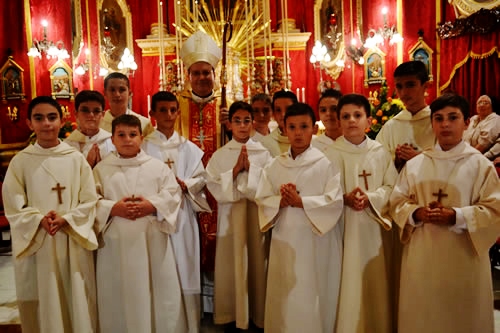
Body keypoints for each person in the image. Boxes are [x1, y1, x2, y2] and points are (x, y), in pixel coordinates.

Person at [389, 94, 500, 333]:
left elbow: (495, 210)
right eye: (438, 119)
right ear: (432, 125)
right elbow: (396, 202)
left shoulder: (480, 165)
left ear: (467, 122)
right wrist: (416, 213)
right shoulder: (416, 165)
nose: (445, 124)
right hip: (422, 257)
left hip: (464, 258)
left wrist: (457, 216)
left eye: (453, 117)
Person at [2, 96, 98, 333]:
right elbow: (13, 204)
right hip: (38, 241)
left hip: (71, 238)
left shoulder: (75, 159)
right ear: (29, 123)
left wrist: (67, 218)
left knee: (74, 293)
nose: (46, 124)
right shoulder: (21, 161)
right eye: (39, 118)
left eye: (52, 117)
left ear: (62, 120)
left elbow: (90, 198)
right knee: (44, 296)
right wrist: (38, 220)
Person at [93, 114, 186, 332]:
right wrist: (113, 208)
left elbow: (172, 194)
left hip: (151, 239)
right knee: (119, 291)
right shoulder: (101, 170)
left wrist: (152, 206)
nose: (127, 139)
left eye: (133, 134)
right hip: (115, 242)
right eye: (121, 135)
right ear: (113, 139)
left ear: (141, 137)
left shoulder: (157, 167)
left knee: (156, 288)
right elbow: (90, 201)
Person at [255, 103, 344, 333]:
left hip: (317, 241)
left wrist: (301, 201)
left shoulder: (326, 163)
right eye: (292, 127)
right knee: (286, 290)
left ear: (314, 129)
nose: (297, 132)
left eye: (303, 126)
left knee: (314, 291)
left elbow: (334, 202)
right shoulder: (276, 165)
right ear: (284, 128)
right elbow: (262, 198)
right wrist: (279, 201)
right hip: (285, 239)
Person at [325, 94, 397, 333]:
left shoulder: (380, 152)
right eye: (345, 116)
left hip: (374, 228)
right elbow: (323, 191)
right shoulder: (331, 153)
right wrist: (342, 198)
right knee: (346, 280)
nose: (351, 121)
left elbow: (392, 188)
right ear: (338, 121)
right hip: (342, 228)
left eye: (357, 115)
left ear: (368, 120)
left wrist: (371, 198)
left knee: (374, 279)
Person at [142, 91, 211, 333]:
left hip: (182, 216)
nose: (169, 115)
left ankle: (189, 325)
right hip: (155, 217)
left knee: (185, 264)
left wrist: (187, 185)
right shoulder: (143, 146)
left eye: (173, 110)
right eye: (163, 110)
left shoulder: (189, 148)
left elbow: (201, 178)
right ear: (152, 114)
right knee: (160, 267)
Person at [206, 101, 272, 332]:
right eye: (237, 121)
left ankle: (257, 315)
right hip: (230, 220)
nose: (242, 126)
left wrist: (251, 171)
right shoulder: (221, 154)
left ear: (253, 123)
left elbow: (270, 186)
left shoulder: (264, 153)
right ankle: (232, 315)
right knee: (231, 264)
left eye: (247, 120)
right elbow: (212, 185)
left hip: (256, 219)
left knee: (256, 263)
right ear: (229, 124)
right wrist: (235, 171)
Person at [178, 30, 222, 300]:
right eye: (197, 73)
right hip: (188, 189)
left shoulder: (227, 108)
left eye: (207, 72)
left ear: (215, 75)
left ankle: (221, 297)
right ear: (188, 75)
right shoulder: (175, 107)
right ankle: (196, 300)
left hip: (219, 188)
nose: (202, 77)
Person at [376, 60, 436, 171]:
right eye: (399, 86)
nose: (403, 93)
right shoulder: (391, 126)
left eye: (410, 85)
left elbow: (449, 159)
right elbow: (377, 161)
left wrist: (418, 157)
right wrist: (397, 160)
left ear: (425, 86)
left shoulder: (437, 122)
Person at [64, 90, 115, 168]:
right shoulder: (67, 145)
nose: (91, 115)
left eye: (96, 111)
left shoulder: (112, 141)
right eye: (85, 110)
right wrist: (88, 166)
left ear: (103, 115)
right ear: (76, 114)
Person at [100, 72, 154, 137]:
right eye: (112, 90)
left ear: (129, 93)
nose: (117, 94)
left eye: (122, 90)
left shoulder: (144, 124)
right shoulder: (98, 124)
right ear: (105, 93)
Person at [260, 90, 298, 157]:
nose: (283, 114)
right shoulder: (265, 143)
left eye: (288, 109)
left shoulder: (307, 140)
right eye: (278, 110)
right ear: (273, 114)